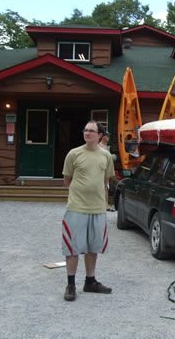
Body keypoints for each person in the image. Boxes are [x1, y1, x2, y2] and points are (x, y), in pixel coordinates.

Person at [62, 120, 115, 302]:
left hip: (98, 208)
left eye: (91, 131)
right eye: (85, 130)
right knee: (73, 248)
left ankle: (90, 282)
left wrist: (103, 201)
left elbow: (105, 180)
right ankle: (71, 285)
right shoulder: (74, 154)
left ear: (100, 135)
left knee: (93, 247)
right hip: (76, 208)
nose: (87, 133)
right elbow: (67, 180)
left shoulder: (105, 156)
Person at [98, 131, 114, 211]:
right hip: (99, 169)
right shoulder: (99, 146)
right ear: (103, 136)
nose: (108, 137)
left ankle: (106, 204)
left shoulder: (107, 147)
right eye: (107, 136)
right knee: (100, 186)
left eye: (109, 136)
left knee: (106, 187)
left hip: (106, 169)